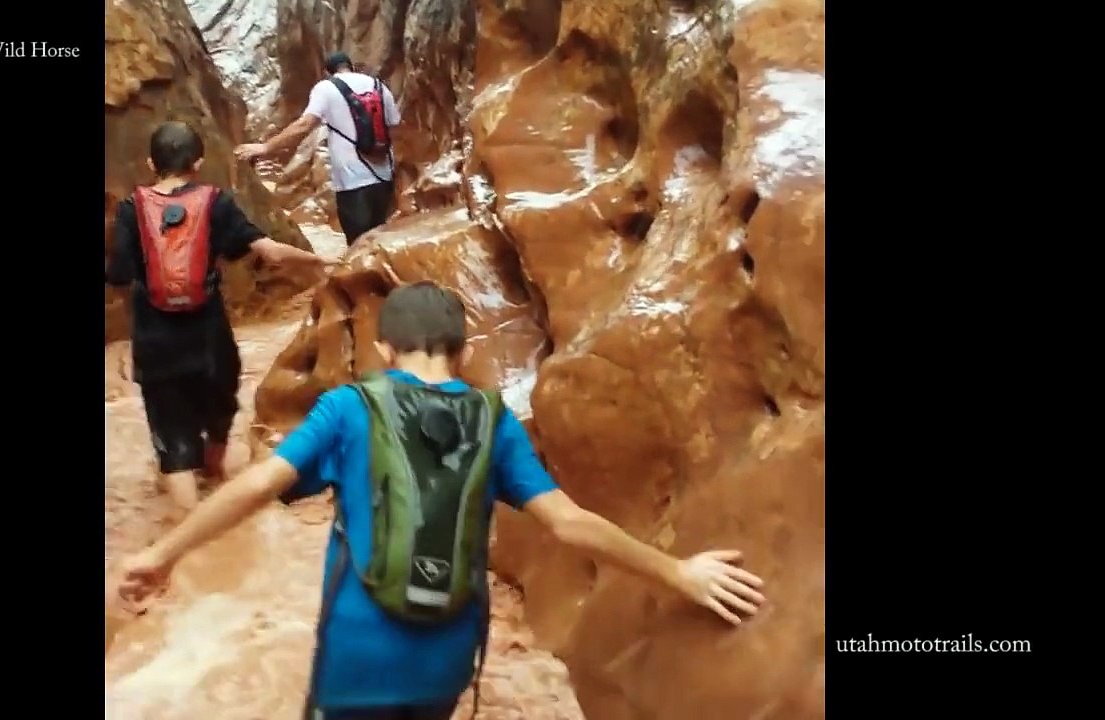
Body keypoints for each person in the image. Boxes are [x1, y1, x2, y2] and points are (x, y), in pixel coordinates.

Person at [111, 282, 767, 719]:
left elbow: (258, 485)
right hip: (446, 655)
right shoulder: (493, 421)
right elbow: (568, 524)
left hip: (356, 656)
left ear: (385, 347)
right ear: (459, 350)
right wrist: (678, 571)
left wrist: (164, 554)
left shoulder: (348, 406)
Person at [106, 120, 329, 520]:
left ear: (149, 163)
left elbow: (119, 273)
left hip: (156, 344)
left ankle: (188, 550)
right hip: (209, 339)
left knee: (173, 442)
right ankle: (216, 486)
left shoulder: (131, 209)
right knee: (220, 412)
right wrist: (313, 260)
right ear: (199, 162)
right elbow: (270, 252)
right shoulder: (216, 202)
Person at [235, 51, 400, 246]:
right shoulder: (379, 86)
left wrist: (266, 148)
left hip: (353, 182)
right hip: (384, 178)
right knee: (380, 239)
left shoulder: (326, 88)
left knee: (359, 245)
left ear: (327, 72)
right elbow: (395, 126)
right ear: (351, 66)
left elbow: (304, 125)